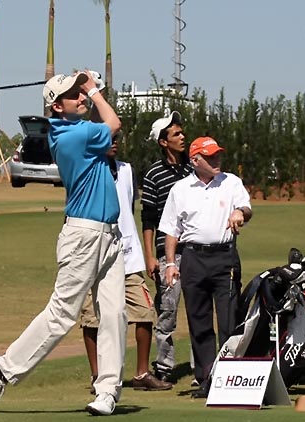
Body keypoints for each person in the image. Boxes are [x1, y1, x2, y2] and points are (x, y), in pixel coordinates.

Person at [0, 71, 127, 416]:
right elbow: (114, 123)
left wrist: (88, 90)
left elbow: (107, 135)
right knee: (62, 314)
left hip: (110, 235)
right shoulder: (73, 135)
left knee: (115, 313)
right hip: (84, 236)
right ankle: (2, 369)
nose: (82, 97)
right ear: (57, 106)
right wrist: (96, 89)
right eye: (74, 94)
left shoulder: (81, 131)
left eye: (81, 92)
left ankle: (107, 391)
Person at [159, 136, 252, 398]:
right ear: (195, 160)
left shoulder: (231, 181)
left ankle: (231, 378)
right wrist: (169, 263)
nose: (217, 160)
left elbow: (245, 206)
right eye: (211, 157)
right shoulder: (180, 189)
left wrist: (240, 213)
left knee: (229, 320)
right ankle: (207, 379)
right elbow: (170, 230)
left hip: (225, 257)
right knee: (198, 322)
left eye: (218, 155)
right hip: (193, 258)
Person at [80, 135, 172, 392]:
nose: (115, 143)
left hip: (128, 256)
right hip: (94, 255)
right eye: (108, 139)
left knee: (144, 313)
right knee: (91, 318)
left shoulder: (126, 169)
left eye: (117, 139)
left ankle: (142, 373)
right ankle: (97, 377)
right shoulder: (87, 168)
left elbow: (128, 208)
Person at [140, 111, 192, 383]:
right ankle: (163, 367)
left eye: (182, 133)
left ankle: (203, 366)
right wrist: (150, 256)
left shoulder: (194, 169)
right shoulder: (153, 174)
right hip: (166, 253)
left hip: (195, 250)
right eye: (176, 134)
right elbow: (148, 217)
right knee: (168, 311)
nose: (182, 137)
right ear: (163, 142)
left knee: (198, 309)